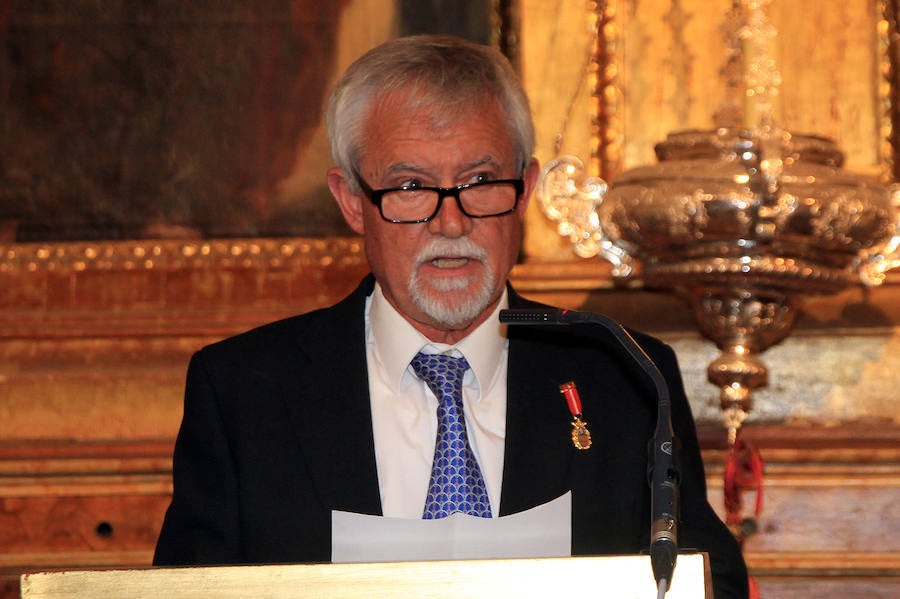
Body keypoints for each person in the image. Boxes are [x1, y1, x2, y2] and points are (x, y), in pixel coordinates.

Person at [154, 34, 749, 597]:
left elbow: (706, 579)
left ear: (526, 190)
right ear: (352, 203)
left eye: (480, 181)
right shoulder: (245, 391)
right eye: (411, 185)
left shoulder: (623, 374)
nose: (451, 223)